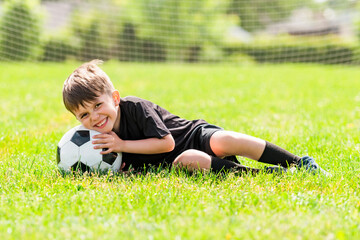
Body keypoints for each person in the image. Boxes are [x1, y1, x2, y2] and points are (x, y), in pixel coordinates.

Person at [62, 59, 327, 175]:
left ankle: (298, 163)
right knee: (189, 161)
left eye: (98, 105)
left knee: (224, 141)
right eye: (84, 114)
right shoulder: (96, 139)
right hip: (178, 159)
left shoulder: (135, 108)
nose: (94, 117)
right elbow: (125, 164)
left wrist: (122, 146)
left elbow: (165, 143)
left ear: (115, 99)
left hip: (193, 136)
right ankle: (262, 174)